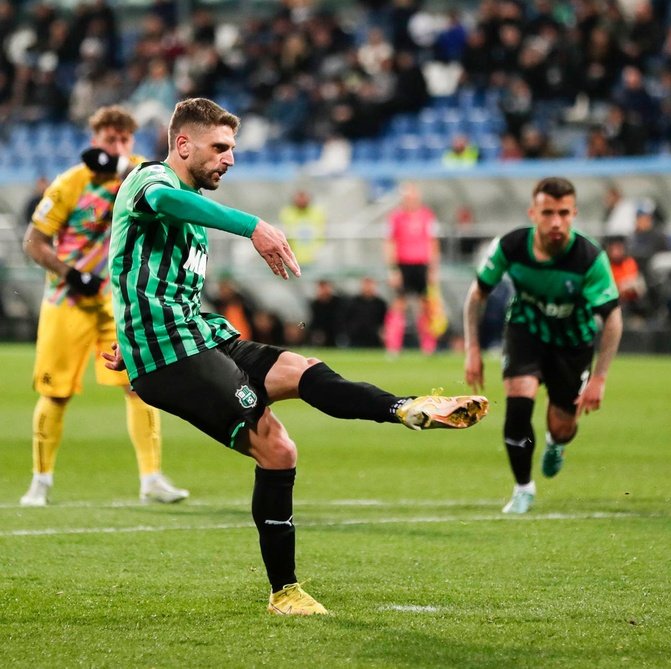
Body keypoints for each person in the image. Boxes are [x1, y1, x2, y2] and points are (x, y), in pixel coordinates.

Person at [105, 98, 488, 615]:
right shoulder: (148, 180)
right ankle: (284, 593)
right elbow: (164, 203)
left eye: (232, 148)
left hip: (199, 337)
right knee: (278, 449)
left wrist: (133, 342)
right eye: (219, 147)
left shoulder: (191, 210)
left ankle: (407, 409)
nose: (230, 159)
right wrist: (252, 226)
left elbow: (145, 279)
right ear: (182, 144)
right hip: (172, 353)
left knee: (302, 370)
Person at [19, 105, 188, 507]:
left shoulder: (139, 177)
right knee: (56, 393)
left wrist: (121, 164)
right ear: (95, 140)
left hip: (117, 305)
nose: (118, 146)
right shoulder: (70, 183)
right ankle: (40, 481)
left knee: (139, 388)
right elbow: (34, 241)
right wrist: (70, 273)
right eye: (110, 139)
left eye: (124, 139)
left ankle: (151, 478)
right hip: (68, 301)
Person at [462, 177, 623, 514]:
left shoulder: (589, 258)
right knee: (519, 404)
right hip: (527, 330)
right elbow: (477, 294)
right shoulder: (510, 247)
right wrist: (472, 350)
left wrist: (601, 378)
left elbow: (612, 318)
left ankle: (555, 443)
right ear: (532, 213)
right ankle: (523, 488)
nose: (556, 222)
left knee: (563, 426)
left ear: (574, 213)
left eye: (563, 213)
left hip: (573, 342)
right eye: (547, 212)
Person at [384, 182, 441, 356]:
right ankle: (393, 347)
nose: (410, 200)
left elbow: (433, 243)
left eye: (413, 197)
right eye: (407, 197)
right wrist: (393, 269)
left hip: (422, 265)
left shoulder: (427, 216)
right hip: (403, 265)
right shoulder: (395, 218)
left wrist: (433, 269)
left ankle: (428, 346)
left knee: (426, 306)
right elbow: (389, 243)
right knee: (399, 304)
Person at [278, 190, 326, 268]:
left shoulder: (318, 213)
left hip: (314, 259)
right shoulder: (287, 213)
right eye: (299, 197)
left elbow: (323, 233)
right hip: (292, 258)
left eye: (304, 197)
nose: (302, 200)